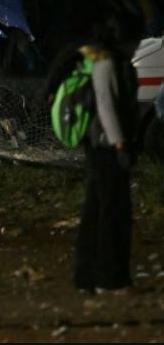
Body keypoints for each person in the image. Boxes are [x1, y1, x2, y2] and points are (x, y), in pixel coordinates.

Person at [73, 15, 139, 294]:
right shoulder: (108, 63)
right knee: (115, 213)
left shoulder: (98, 60)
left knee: (95, 211)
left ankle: (86, 277)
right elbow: (107, 106)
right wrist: (120, 144)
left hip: (99, 146)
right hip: (106, 147)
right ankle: (111, 279)